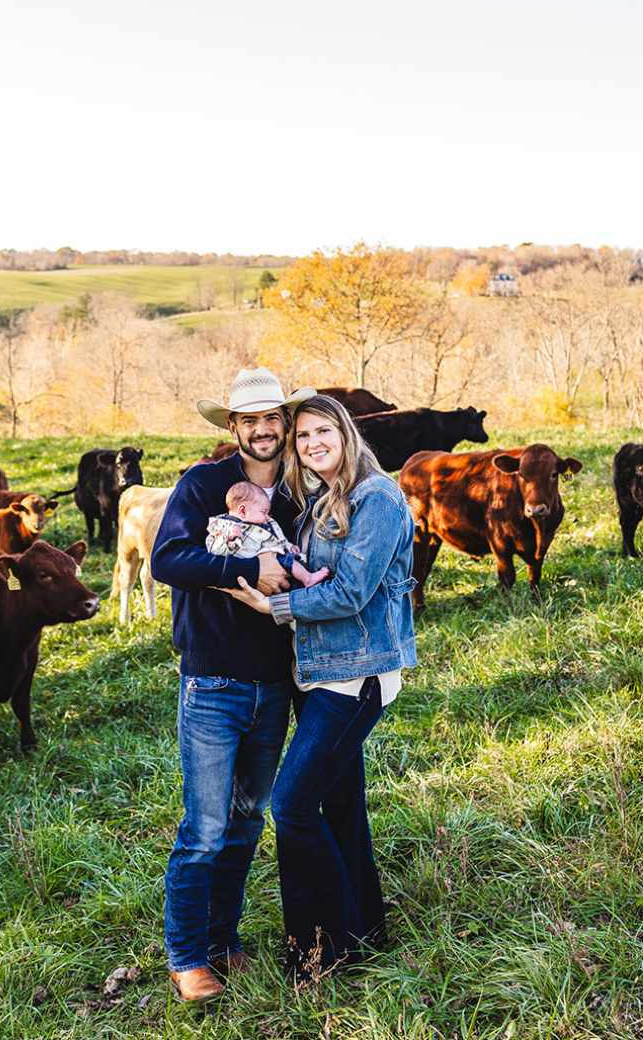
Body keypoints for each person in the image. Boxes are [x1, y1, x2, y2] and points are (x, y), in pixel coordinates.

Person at [225, 393, 417, 980]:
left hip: (357, 675)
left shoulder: (377, 498)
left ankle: (319, 951)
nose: (311, 444)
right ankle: (364, 929)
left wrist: (272, 604)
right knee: (340, 806)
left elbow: (350, 592)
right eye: (302, 437)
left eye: (321, 432)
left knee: (292, 804)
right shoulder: (317, 503)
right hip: (319, 674)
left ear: (345, 432)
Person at [151, 366, 315, 1002]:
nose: (263, 430)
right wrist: (249, 565)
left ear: (285, 423)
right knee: (206, 828)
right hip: (213, 680)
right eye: (250, 420)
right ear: (234, 427)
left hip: (275, 682)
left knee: (248, 822)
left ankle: (225, 942)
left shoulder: (301, 493)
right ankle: (188, 956)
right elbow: (168, 559)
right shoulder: (204, 483)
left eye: (273, 418)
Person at [206, 480, 330, 588]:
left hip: (273, 558)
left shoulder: (263, 523)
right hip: (257, 567)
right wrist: (230, 539)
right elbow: (214, 550)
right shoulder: (223, 528)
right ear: (242, 510)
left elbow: (277, 538)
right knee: (289, 562)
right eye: (263, 512)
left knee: (294, 559)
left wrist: (288, 546)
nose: (267, 517)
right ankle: (308, 579)